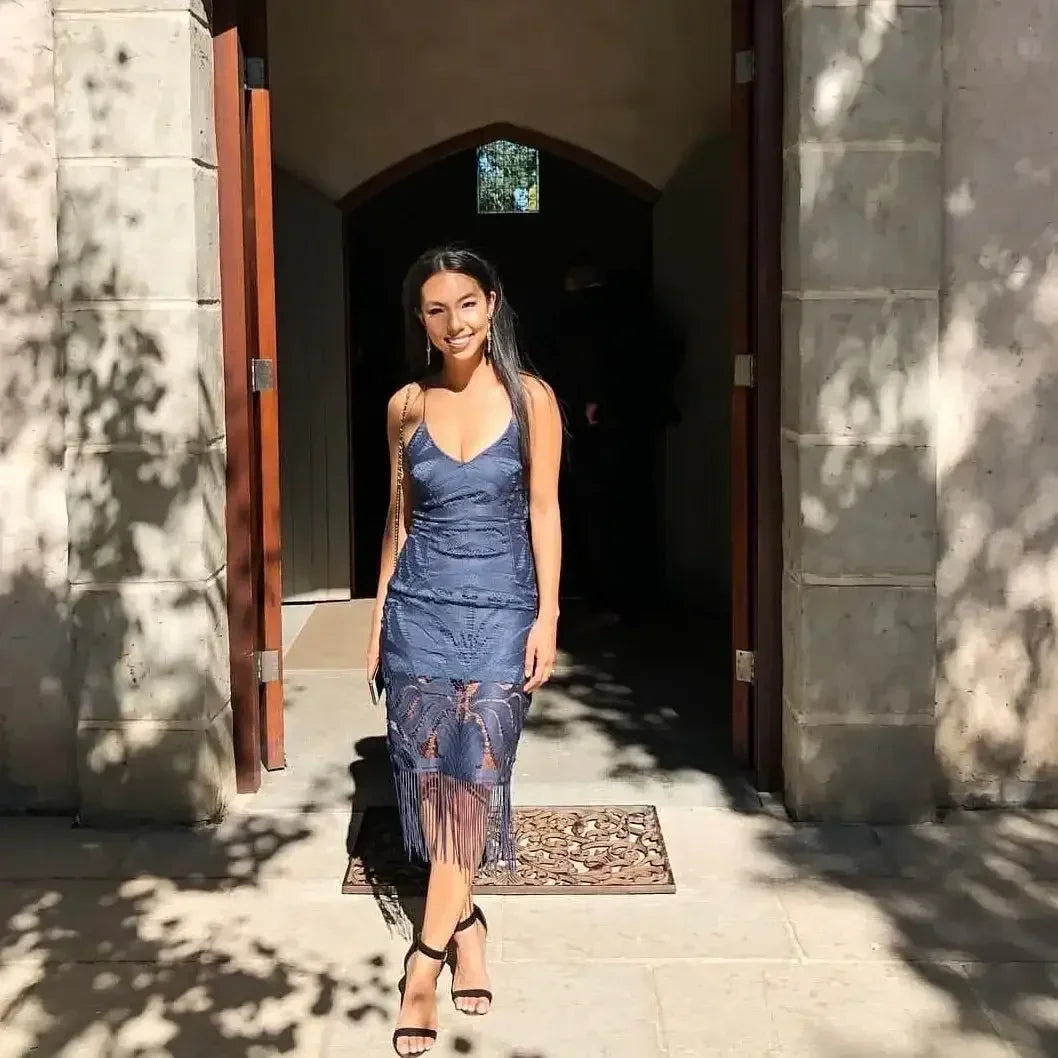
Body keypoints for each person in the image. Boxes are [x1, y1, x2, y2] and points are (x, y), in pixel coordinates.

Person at [365, 246, 563, 1056]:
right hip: (419, 609)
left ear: (493, 304)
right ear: (421, 319)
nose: (455, 322)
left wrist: (549, 615)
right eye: (437, 308)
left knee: (472, 782)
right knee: (432, 782)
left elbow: (544, 509)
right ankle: (469, 926)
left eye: (468, 304)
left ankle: (423, 962)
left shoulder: (531, 399)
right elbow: (399, 517)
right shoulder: (406, 406)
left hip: (504, 610)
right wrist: (377, 619)